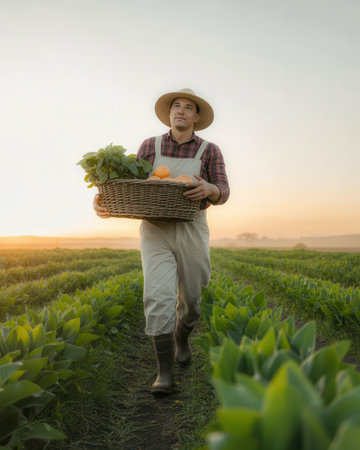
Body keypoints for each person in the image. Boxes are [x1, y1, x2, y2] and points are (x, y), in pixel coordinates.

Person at [93, 88, 230, 395]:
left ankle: (182, 337)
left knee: (193, 301)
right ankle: (164, 374)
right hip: (154, 228)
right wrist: (102, 199)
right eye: (176, 106)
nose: (180, 110)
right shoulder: (149, 146)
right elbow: (127, 181)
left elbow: (223, 189)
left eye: (188, 107)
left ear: (196, 116)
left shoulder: (209, 150)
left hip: (192, 227)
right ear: (170, 114)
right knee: (157, 297)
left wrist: (210, 188)